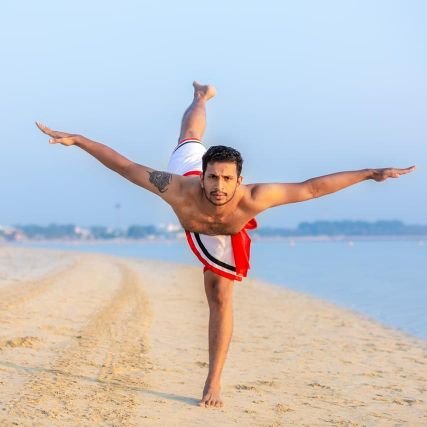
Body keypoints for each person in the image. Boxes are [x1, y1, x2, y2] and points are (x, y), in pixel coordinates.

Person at [36, 81, 415, 408]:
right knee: (189, 136)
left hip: (226, 233)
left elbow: (313, 188)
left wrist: (369, 173)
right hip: (195, 212)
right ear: (202, 176)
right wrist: (79, 140)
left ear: (240, 180)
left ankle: (213, 379)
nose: (219, 186)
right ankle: (201, 96)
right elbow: (123, 165)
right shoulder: (177, 188)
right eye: (213, 177)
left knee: (220, 296)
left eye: (226, 179)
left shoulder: (254, 196)